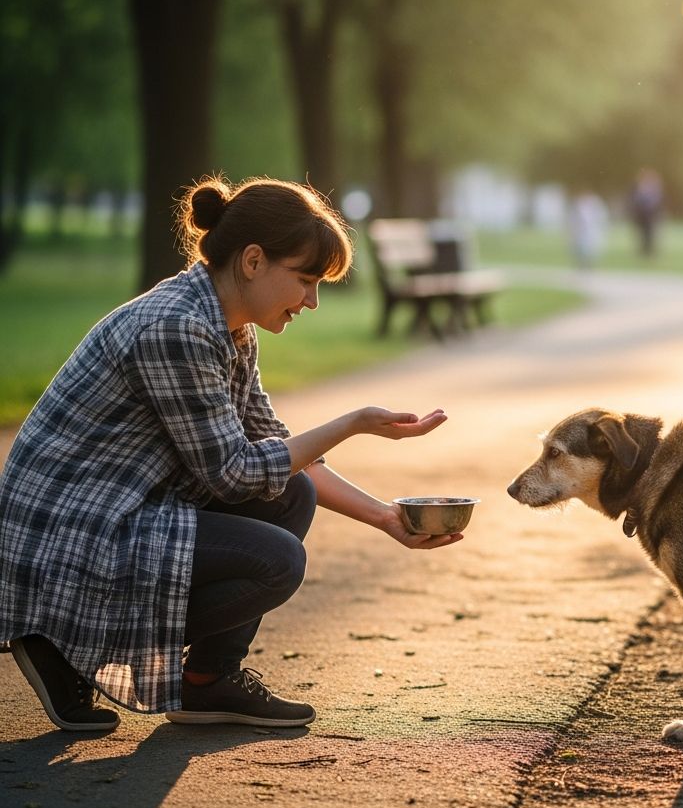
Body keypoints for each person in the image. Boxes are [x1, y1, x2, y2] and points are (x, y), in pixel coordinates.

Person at [0, 175, 461, 733]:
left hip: (121, 511)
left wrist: (387, 517)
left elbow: (285, 456)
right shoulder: (177, 327)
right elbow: (235, 474)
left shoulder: (231, 327)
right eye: (305, 280)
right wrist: (353, 423)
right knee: (278, 560)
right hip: (71, 534)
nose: (312, 301)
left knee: (292, 492)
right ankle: (60, 635)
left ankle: (205, 683)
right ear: (252, 261)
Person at [567, 190, 609, 269]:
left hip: (590, 231)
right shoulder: (576, 207)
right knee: (579, 248)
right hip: (580, 231)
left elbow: (600, 218)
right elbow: (572, 220)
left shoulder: (594, 207)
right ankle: (581, 263)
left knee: (591, 248)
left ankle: (589, 263)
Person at [630, 168, 664, 259]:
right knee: (642, 235)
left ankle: (650, 252)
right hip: (642, 216)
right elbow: (636, 201)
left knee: (651, 235)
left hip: (651, 216)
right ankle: (643, 251)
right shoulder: (639, 189)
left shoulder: (654, 190)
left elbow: (657, 203)